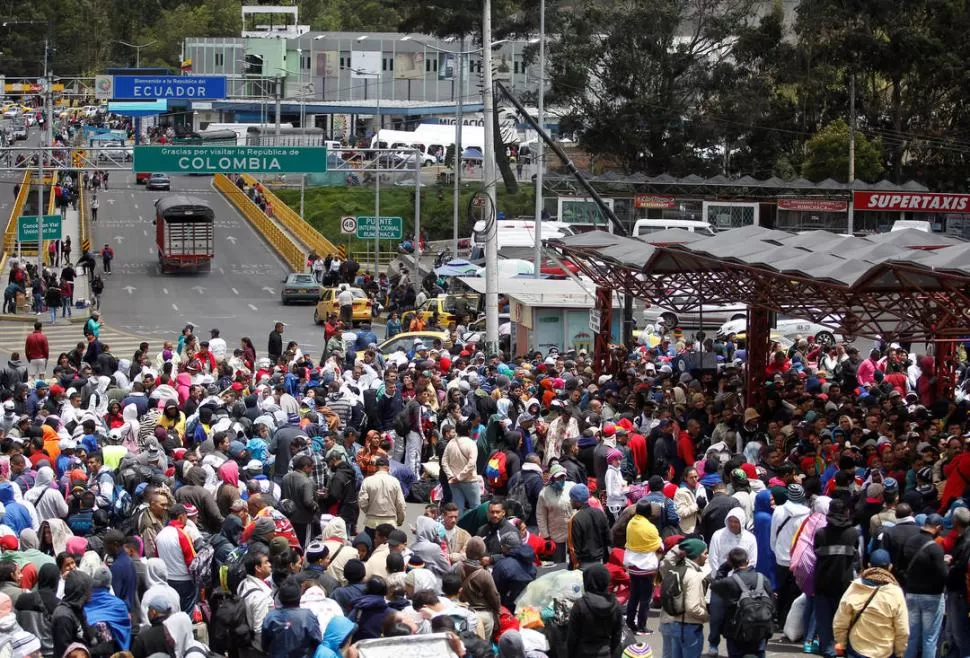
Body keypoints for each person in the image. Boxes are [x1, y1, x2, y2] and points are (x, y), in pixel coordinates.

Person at [832, 549, 909, 658]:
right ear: (890, 567)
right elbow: (903, 629)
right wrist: (900, 653)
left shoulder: (855, 587)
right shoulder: (895, 592)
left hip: (857, 650)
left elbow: (840, 621)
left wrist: (841, 645)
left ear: (869, 565)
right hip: (885, 652)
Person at [711, 548, 775, 658]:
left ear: (730, 562)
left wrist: (724, 568)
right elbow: (772, 600)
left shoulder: (729, 582)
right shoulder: (762, 578)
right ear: (748, 560)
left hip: (736, 631)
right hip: (761, 629)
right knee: (759, 653)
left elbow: (715, 586)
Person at [659, 538, 709, 658]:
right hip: (689, 627)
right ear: (697, 554)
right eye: (705, 553)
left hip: (672, 623)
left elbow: (665, 561)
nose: (707, 557)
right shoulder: (694, 575)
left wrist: (681, 547)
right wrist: (707, 616)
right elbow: (692, 607)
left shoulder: (673, 570)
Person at [567, 564, 623, 658]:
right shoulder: (615, 605)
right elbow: (617, 637)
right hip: (606, 653)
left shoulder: (580, 605)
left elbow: (572, 637)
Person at [624, 497, 662, 635]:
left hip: (633, 567)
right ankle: (641, 626)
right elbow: (658, 546)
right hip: (646, 568)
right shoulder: (650, 527)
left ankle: (630, 623)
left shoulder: (631, 524)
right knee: (645, 599)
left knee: (633, 596)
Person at [261, 577, 321, 658]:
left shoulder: (270, 617)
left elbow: (265, 645)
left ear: (280, 598)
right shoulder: (307, 616)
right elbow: (317, 641)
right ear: (299, 596)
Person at [566, 484, 610, 570]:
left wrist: (574, 567)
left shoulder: (575, 519)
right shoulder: (600, 513)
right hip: (600, 563)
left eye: (571, 499)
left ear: (577, 501)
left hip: (583, 566)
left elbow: (573, 549)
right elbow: (608, 539)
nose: (570, 501)